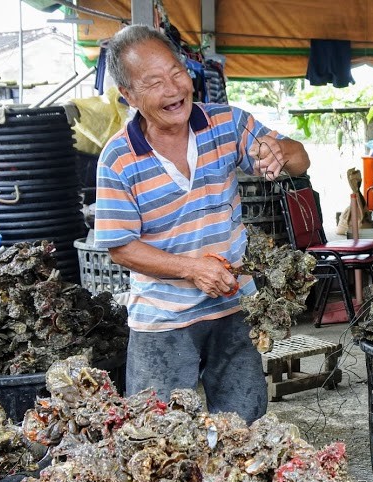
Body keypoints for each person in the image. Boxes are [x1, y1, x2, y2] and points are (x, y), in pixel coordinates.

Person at [93, 24, 310, 424]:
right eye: (154, 82)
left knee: (244, 428)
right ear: (129, 96)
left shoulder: (227, 123)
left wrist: (279, 152)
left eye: (176, 73)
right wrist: (191, 269)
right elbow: (120, 245)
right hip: (162, 319)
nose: (174, 89)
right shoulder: (118, 159)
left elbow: (300, 158)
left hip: (234, 307)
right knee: (154, 436)